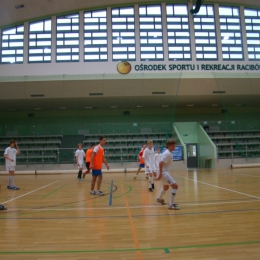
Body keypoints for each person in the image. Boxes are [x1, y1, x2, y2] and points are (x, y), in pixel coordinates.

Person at [156, 138, 180, 210]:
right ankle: (171, 205)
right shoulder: (167, 154)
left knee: (166, 187)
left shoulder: (168, 153)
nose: (174, 147)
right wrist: (160, 174)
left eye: (175, 145)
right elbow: (160, 163)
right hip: (164, 173)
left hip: (164, 172)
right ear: (168, 145)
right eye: (172, 145)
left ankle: (159, 198)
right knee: (175, 186)